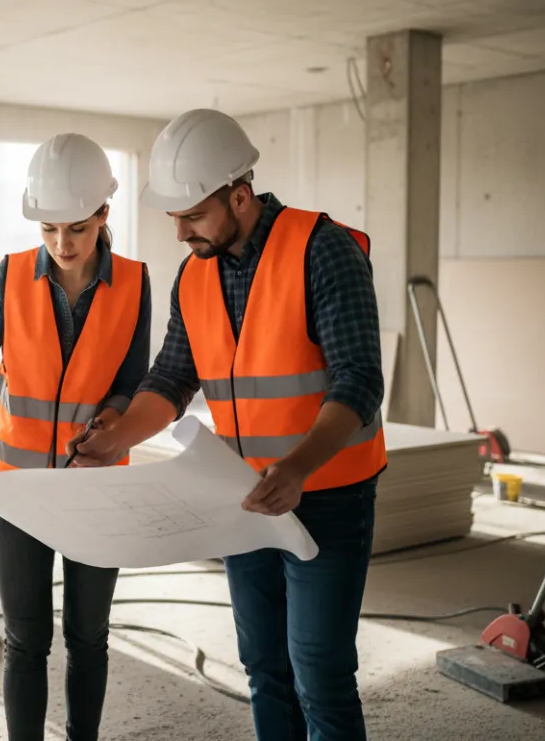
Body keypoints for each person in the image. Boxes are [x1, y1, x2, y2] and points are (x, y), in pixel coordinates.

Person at [67, 108, 387, 741]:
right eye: (174, 218)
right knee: (265, 666)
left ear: (240, 196)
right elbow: (171, 379)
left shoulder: (323, 250)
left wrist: (296, 467)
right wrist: (115, 439)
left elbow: (359, 380)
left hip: (325, 492)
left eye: (193, 215)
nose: (181, 232)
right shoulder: (196, 274)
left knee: (319, 669)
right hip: (243, 497)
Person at [0, 132, 152, 741]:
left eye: (75, 229)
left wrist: (114, 415)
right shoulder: (10, 275)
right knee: (26, 638)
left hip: (94, 487)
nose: (61, 244)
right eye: (49, 229)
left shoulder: (135, 282)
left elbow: (134, 378)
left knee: (88, 636)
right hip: (15, 487)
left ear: (104, 214)